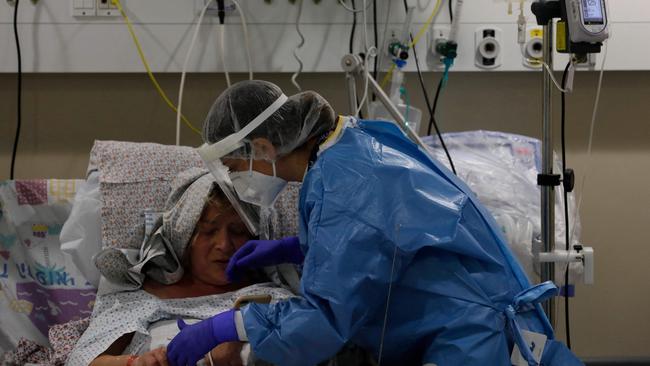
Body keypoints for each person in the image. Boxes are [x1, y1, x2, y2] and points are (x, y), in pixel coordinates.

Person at [167, 81, 582, 366]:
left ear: (262, 146)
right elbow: (380, 237)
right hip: (479, 319)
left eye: (233, 166)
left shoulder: (346, 183)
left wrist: (225, 326)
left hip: (471, 339)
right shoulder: (351, 143)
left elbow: (324, 321)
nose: (236, 179)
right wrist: (294, 248)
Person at [67, 168, 292, 366]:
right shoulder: (139, 297)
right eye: (208, 231)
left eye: (238, 231)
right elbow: (85, 362)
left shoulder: (274, 299)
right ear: (184, 238)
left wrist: (239, 333)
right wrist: (136, 363)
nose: (223, 245)